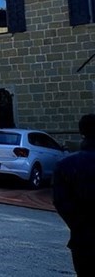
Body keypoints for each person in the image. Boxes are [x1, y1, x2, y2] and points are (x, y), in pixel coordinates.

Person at [53, 113, 95, 276]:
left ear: (81, 133)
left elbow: (61, 202)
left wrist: (80, 225)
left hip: (83, 240)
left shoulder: (65, 165)